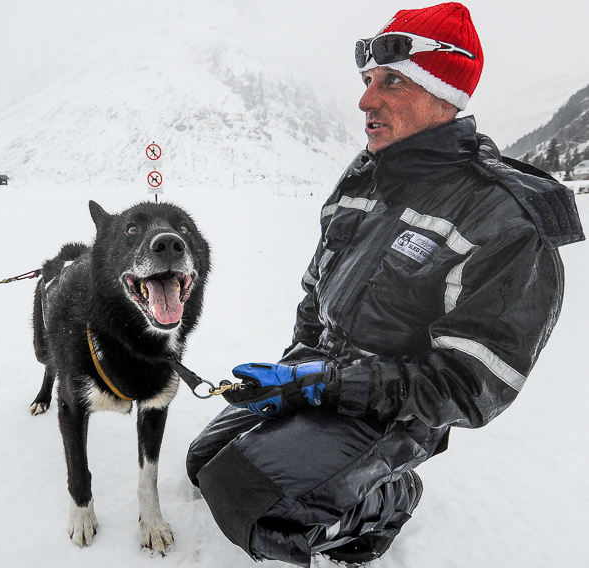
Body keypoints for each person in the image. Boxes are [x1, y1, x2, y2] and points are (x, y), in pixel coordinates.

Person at [186, 3, 584, 566]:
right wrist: (296, 372)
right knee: (202, 464)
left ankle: (390, 498)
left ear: (444, 93)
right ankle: (311, 454)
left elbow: (472, 386)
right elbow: (315, 287)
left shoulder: (504, 219)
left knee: (249, 505)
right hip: (318, 376)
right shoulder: (365, 174)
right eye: (368, 80)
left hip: (393, 410)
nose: (365, 100)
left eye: (391, 81)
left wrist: (329, 385)